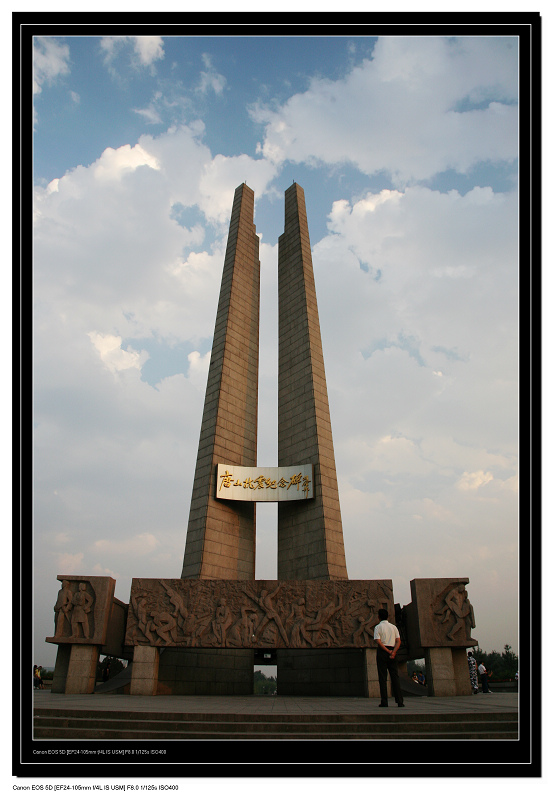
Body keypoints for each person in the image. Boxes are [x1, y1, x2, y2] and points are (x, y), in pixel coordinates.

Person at [373, 608, 404, 708]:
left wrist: (388, 651)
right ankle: (400, 701)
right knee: (395, 677)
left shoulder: (378, 627)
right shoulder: (393, 627)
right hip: (393, 652)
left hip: (383, 652)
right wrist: (393, 652)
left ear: (379, 617)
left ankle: (384, 701)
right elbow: (398, 641)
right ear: (388, 616)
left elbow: (378, 641)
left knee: (382, 678)